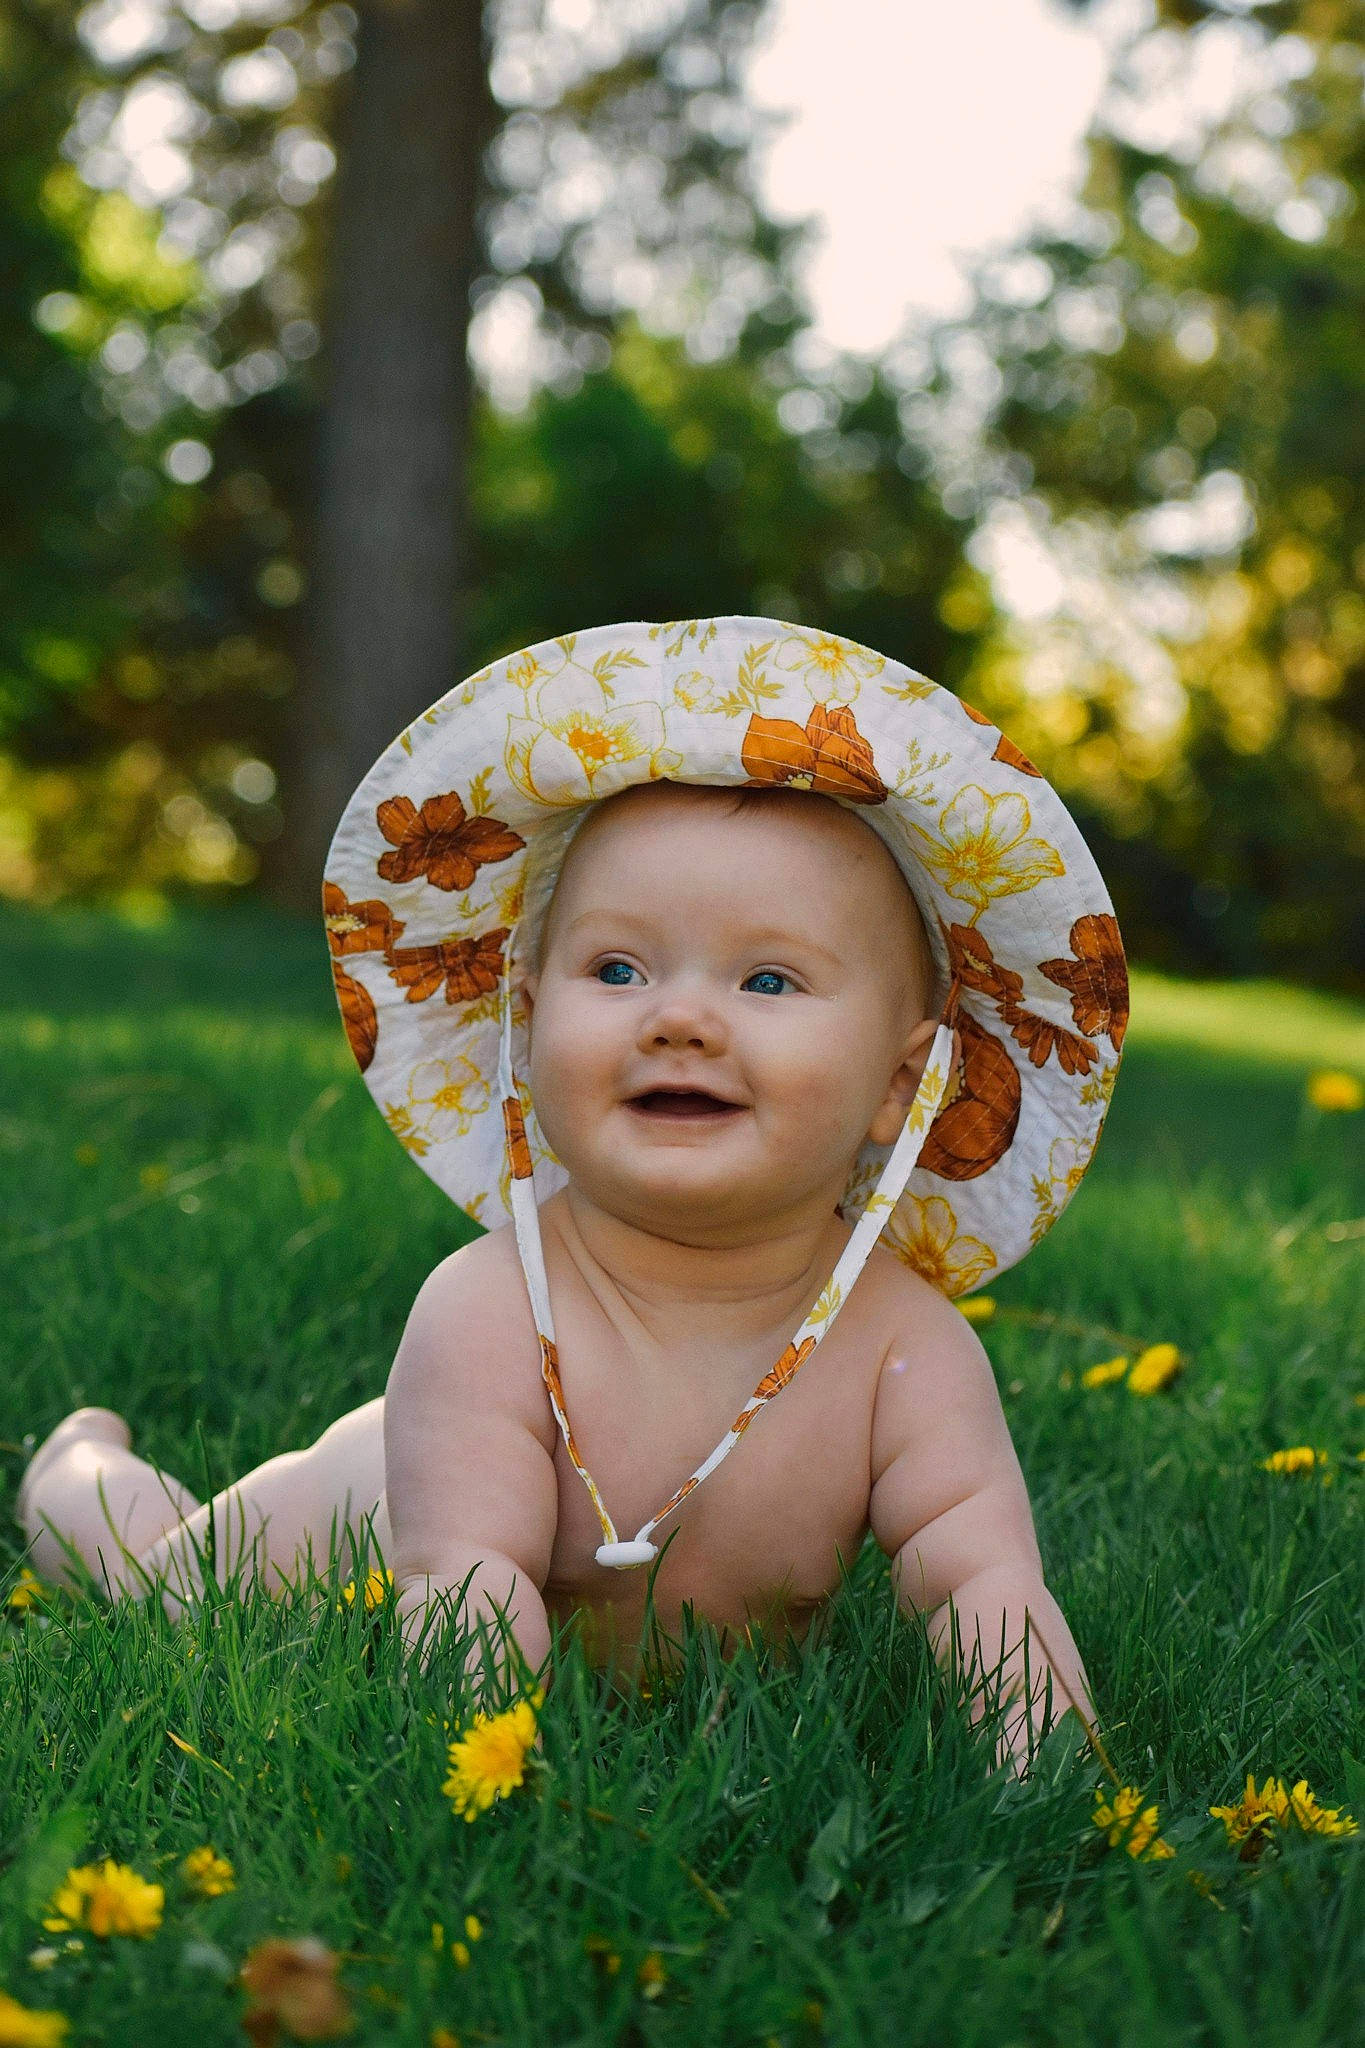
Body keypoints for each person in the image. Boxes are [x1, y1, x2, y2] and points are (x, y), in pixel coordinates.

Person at [16, 617, 1129, 1772]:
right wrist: (498, 1776)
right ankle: (79, 1473)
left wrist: (1047, 1774)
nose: (680, 1015)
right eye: (618, 968)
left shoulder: (907, 1350)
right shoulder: (491, 1310)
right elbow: (469, 1583)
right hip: (330, 1535)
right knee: (158, 1576)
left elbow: (980, 1579)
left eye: (767, 977)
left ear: (903, 1081)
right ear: (529, 1022)